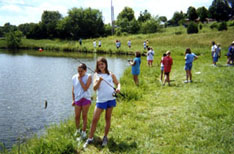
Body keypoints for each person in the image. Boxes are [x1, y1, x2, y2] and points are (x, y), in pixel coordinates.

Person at [84, 57, 121, 148]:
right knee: (94, 119)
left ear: (106, 64)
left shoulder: (111, 74)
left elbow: (118, 83)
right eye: (99, 64)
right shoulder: (96, 75)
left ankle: (105, 137)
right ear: (97, 65)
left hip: (111, 99)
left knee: (107, 118)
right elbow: (94, 88)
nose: (101, 66)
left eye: (102, 64)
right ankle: (90, 138)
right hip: (101, 101)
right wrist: (99, 80)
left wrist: (118, 88)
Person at [72, 63, 92, 140]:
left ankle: (83, 132)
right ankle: (77, 130)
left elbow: (85, 88)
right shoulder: (74, 77)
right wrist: (73, 99)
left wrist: (80, 80)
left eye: (81, 71)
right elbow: (73, 89)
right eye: (78, 71)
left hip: (86, 98)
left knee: (84, 116)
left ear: (85, 70)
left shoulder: (89, 76)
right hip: (77, 99)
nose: (79, 73)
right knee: (76, 116)